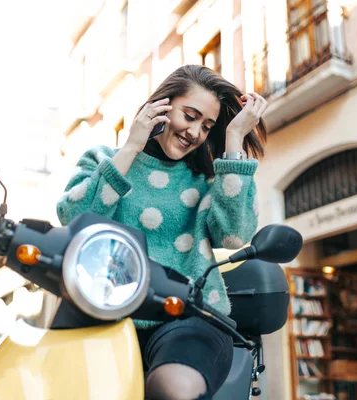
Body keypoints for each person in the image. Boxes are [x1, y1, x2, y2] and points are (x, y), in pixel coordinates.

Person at [57, 65, 268, 400]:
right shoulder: (104, 159)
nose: (195, 132)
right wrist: (131, 147)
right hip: (102, 314)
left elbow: (234, 236)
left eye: (207, 126)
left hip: (190, 317)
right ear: (161, 106)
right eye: (190, 115)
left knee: (174, 389)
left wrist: (234, 139)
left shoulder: (209, 179)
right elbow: (74, 220)